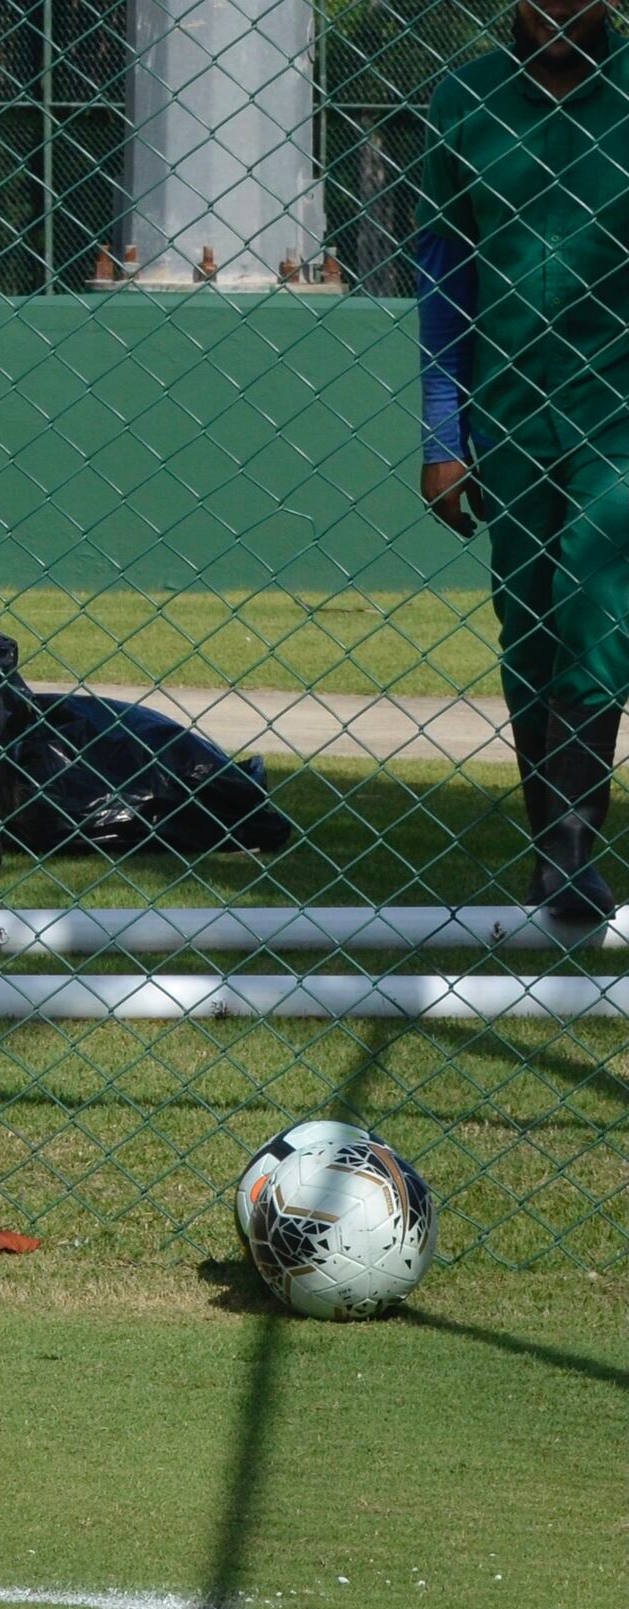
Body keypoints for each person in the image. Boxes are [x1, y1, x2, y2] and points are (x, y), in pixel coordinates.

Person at [417, 0, 629, 921]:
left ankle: (577, 851)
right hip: (506, 416)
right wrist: (440, 430)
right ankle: (551, 847)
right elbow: (443, 267)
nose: (555, 7)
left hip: (618, 414)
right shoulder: (465, 99)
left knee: (597, 608)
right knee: (529, 630)